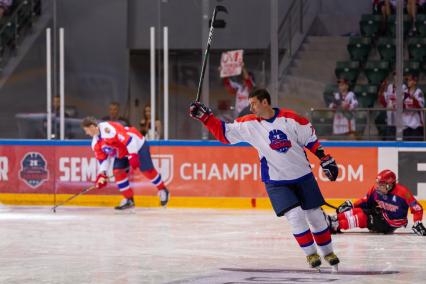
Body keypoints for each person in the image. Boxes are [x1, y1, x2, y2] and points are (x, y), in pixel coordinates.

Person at [189, 88, 341, 270]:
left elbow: (311, 141)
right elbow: (224, 133)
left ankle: (328, 252)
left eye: (253, 103)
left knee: (315, 216)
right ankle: (311, 254)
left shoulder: (291, 119)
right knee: (295, 216)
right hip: (276, 181)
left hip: (303, 176)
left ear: (265, 102)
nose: (250, 107)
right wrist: (206, 118)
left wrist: (324, 158)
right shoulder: (250, 124)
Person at [81, 117, 170, 210]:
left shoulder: (109, 129)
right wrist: (102, 175)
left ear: (92, 127)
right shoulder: (95, 143)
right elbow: (103, 160)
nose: (86, 133)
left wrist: (133, 155)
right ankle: (129, 199)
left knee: (146, 170)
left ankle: (163, 189)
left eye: (86, 130)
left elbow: (129, 140)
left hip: (137, 143)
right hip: (122, 152)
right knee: (117, 171)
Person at [326, 169, 426, 236]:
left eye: (381, 184)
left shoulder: (403, 192)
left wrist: (417, 222)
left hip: (392, 223)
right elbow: (365, 201)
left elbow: (417, 208)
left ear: (390, 185)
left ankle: (337, 225)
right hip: (382, 214)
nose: (378, 187)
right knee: (359, 211)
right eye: (378, 183)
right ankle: (335, 219)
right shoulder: (375, 189)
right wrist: (352, 204)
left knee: (363, 218)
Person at [402, 74, 424, 141]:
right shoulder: (404, 93)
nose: (408, 82)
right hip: (405, 125)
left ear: (415, 81)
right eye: (407, 80)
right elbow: (400, 106)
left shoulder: (419, 92)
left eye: (410, 80)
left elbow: (421, 106)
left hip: (416, 125)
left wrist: (413, 99)